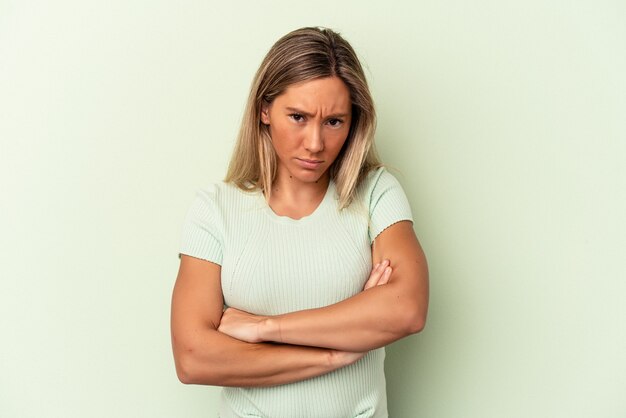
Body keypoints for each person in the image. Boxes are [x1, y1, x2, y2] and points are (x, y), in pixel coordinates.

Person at [170, 26, 429, 418]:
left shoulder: (377, 192)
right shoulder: (216, 208)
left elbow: (407, 308)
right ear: (264, 109)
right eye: (298, 116)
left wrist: (265, 328)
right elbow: (193, 357)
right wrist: (336, 354)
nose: (315, 143)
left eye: (334, 121)